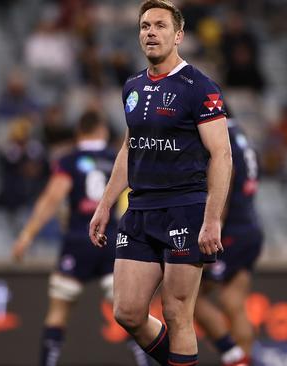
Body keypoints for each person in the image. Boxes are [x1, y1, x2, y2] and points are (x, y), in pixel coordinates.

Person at [89, 1, 232, 365]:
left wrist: (212, 219)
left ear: (178, 35)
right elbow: (129, 146)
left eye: (159, 26)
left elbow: (222, 155)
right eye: (144, 26)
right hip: (139, 210)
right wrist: (105, 205)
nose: (150, 32)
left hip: (184, 209)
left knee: (177, 314)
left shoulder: (199, 87)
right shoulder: (132, 86)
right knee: (128, 312)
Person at [11, 111, 118, 366]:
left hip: (79, 238)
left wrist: (27, 235)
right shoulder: (117, 157)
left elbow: (52, 198)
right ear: (101, 130)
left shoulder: (69, 160)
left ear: (78, 132)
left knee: (58, 312)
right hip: (112, 240)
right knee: (130, 314)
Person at [194, 117, 263, 366]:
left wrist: (215, 222)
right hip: (251, 227)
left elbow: (227, 171)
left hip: (230, 230)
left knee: (188, 296)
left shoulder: (221, 133)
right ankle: (242, 360)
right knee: (233, 302)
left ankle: (232, 354)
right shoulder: (244, 137)